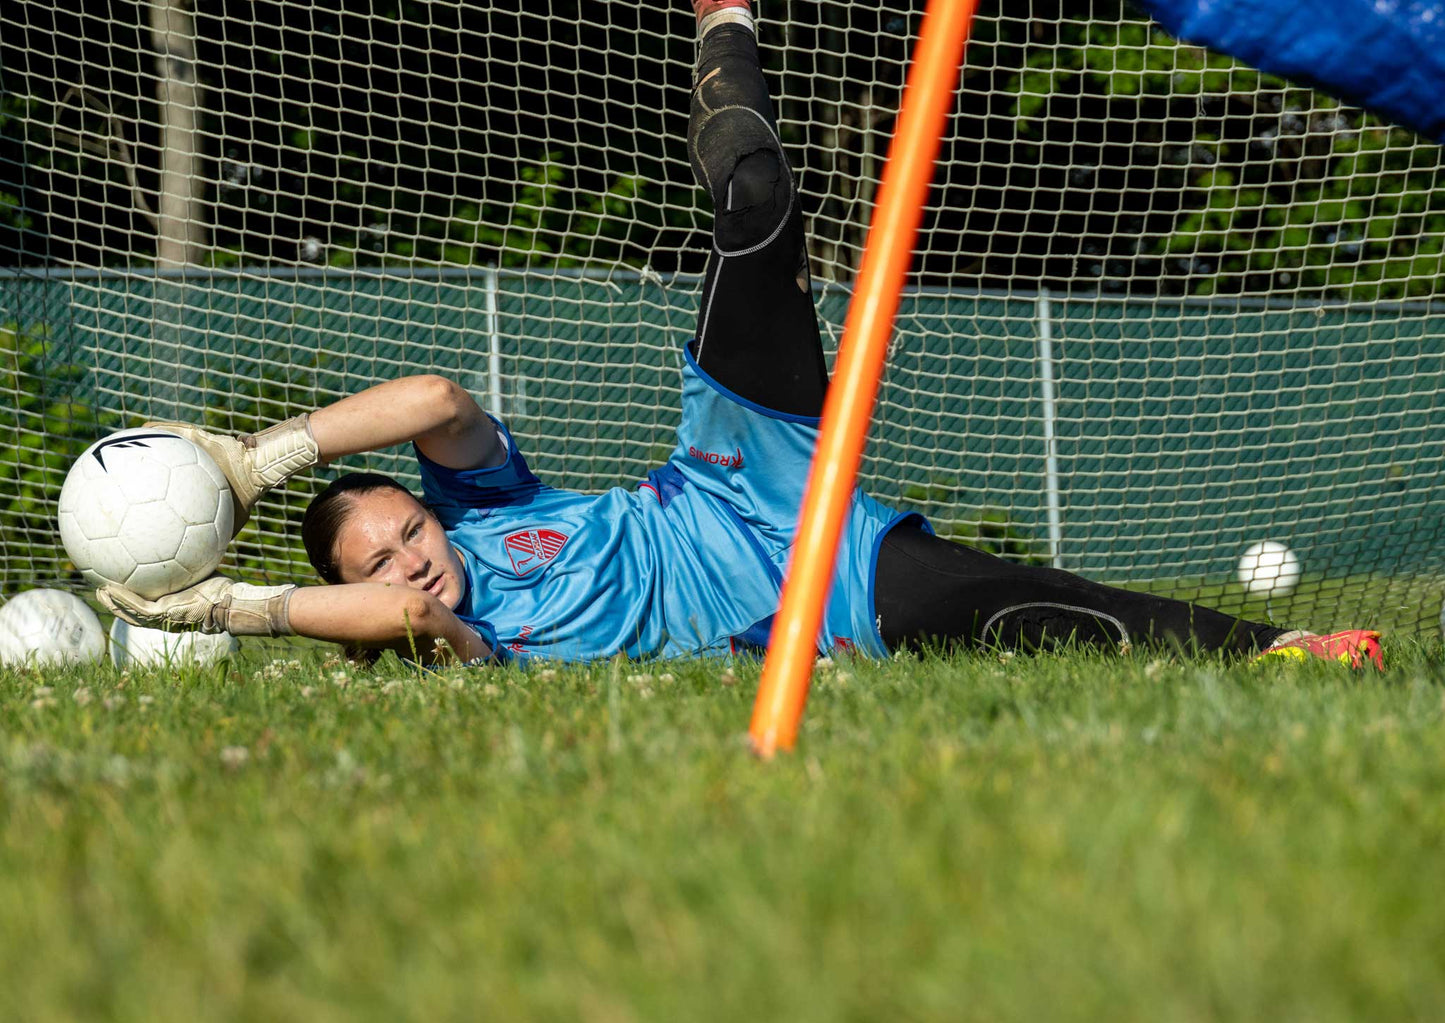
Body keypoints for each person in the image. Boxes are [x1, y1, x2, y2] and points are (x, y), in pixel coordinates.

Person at [98, 0, 1384, 672]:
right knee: (1008, 608)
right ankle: (1279, 653)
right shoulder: (458, 646)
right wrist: (239, 610)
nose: (413, 567)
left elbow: (435, 393)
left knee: (759, 208)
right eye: (379, 563)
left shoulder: (482, 511)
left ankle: (725, 27)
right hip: (800, 596)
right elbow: (396, 630)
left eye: (408, 533)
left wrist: (256, 463)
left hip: (726, 476)